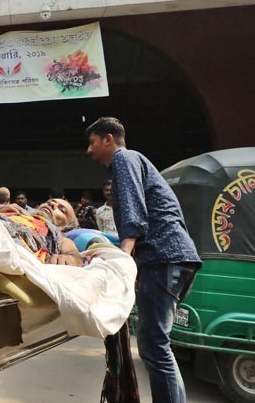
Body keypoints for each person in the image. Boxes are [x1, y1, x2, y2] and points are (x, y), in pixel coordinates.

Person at [86, 117, 201, 403]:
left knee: (154, 346)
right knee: (157, 346)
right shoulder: (135, 161)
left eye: (92, 142)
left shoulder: (124, 159)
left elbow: (133, 208)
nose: (89, 150)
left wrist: (123, 258)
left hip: (164, 257)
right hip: (172, 258)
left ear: (108, 139)